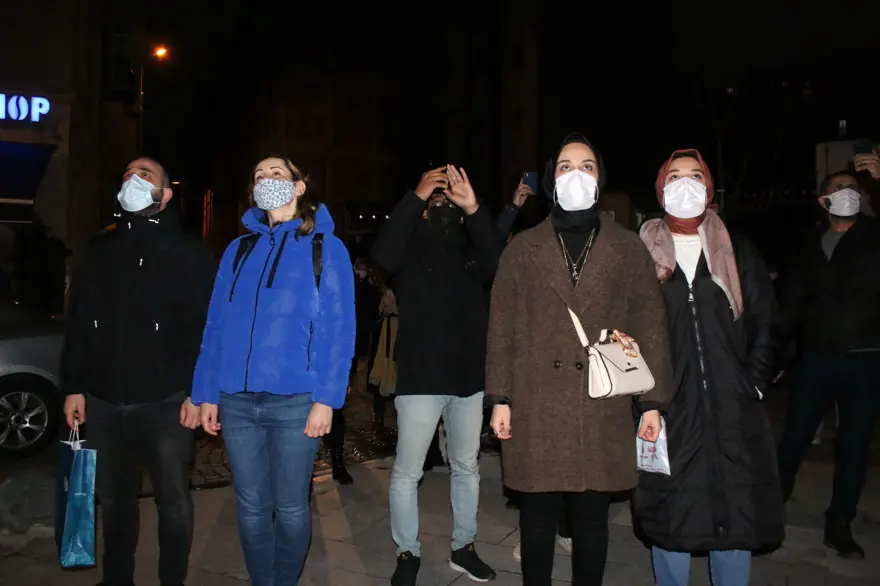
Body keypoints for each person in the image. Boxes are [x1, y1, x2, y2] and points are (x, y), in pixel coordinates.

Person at [486, 133, 675, 586]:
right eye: (566, 167)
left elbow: (649, 323)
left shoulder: (627, 247)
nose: (576, 175)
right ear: (552, 181)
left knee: (592, 524)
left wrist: (651, 403)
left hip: (601, 404)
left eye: (586, 166)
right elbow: (501, 327)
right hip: (536, 405)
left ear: (600, 179)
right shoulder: (522, 248)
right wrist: (500, 396)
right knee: (536, 524)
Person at [191, 156, 356, 586]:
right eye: (260, 174)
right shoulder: (238, 249)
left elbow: (340, 329)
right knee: (249, 504)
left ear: (300, 187)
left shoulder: (325, 247)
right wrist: (205, 391)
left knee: (291, 505)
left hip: (296, 402)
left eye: (277, 173)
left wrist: (327, 399)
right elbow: (216, 326)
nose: (267, 179)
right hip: (237, 401)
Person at [61, 157, 216, 586]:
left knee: (173, 501)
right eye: (128, 173)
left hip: (166, 402)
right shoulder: (100, 249)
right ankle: (117, 579)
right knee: (113, 500)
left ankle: (171, 580)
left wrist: (198, 392)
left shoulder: (190, 252)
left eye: (145, 174)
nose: (133, 178)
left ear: (164, 195)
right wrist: (73, 387)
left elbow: (207, 328)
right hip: (105, 400)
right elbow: (78, 323)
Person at [633, 149, 783, 586]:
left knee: (737, 510)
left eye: (694, 175)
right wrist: (646, 401)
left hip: (734, 407)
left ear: (709, 186)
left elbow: (766, 321)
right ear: (661, 189)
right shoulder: (640, 254)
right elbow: (627, 333)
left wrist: (753, 383)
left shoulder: (736, 249)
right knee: (672, 511)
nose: (685, 184)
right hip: (669, 409)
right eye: (674, 176)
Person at [372, 164, 503, 585]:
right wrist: (416, 194)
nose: (443, 205)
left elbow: (500, 261)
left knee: (467, 466)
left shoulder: (471, 249)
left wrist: (475, 207)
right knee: (408, 471)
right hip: (421, 376)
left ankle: (464, 548)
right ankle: (406, 552)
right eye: (436, 201)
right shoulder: (408, 248)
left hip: (467, 375)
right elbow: (383, 253)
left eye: (450, 200)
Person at [776, 167, 880, 560]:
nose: (847, 193)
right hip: (817, 359)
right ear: (823, 200)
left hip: (866, 359)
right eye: (838, 188)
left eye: (853, 188)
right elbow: (789, 304)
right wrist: (773, 357)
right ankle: (772, 509)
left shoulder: (874, 237)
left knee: (853, 448)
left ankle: (840, 524)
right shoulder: (808, 245)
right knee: (795, 439)